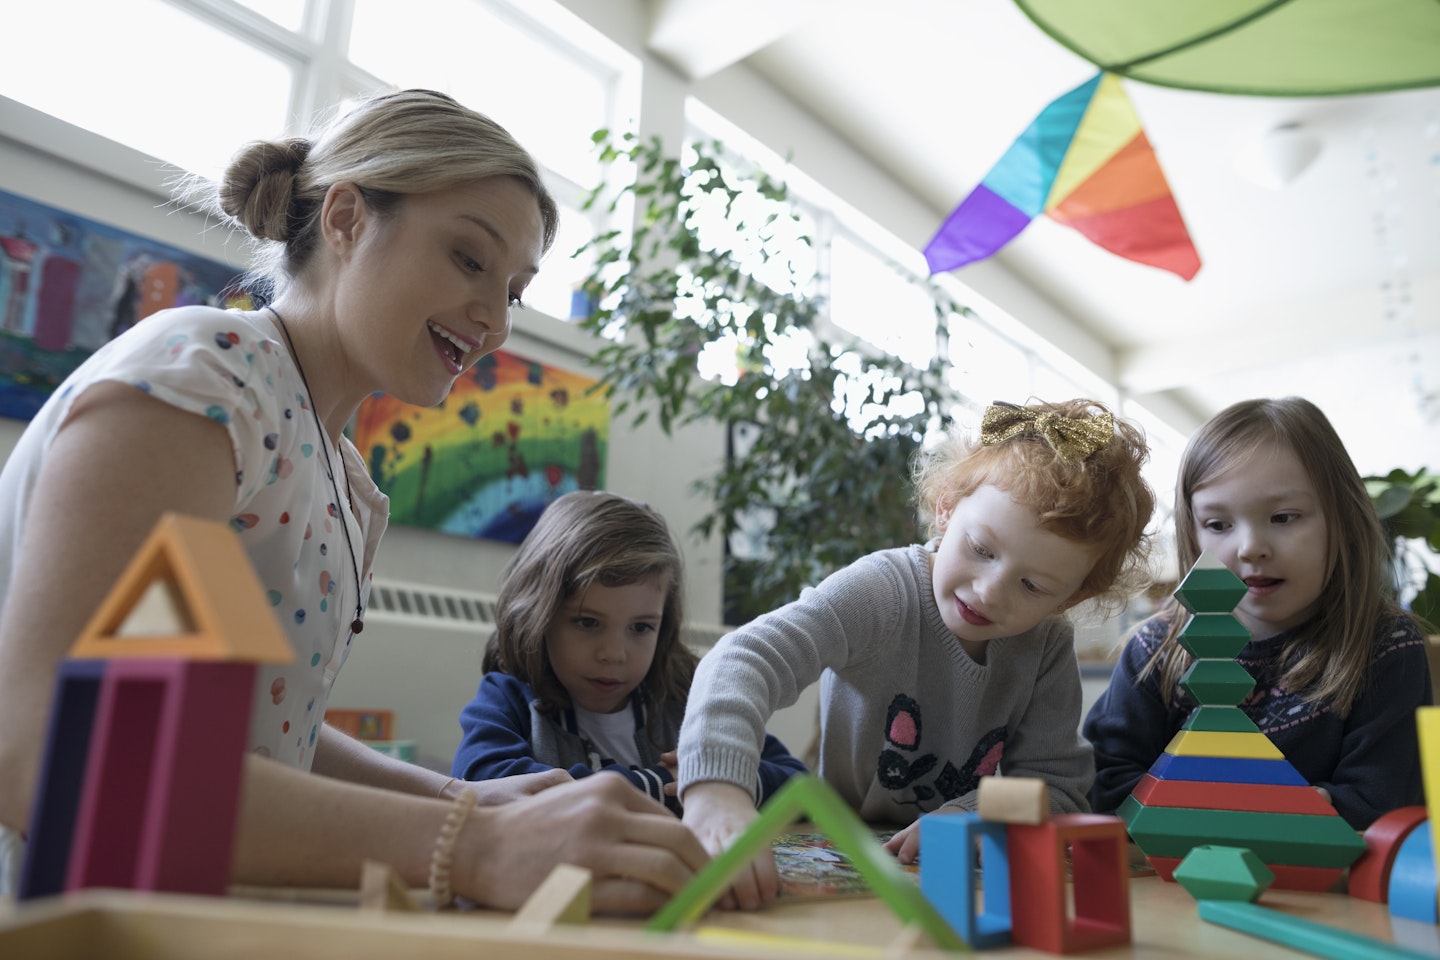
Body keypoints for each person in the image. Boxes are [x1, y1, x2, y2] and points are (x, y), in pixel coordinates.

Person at [0, 89, 706, 912]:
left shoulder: (332, 467)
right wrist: (472, 844)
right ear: (344, 219)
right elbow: (50, 758)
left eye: (513, 291)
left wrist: (460, 802)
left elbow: (255, 733)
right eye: (469, 260)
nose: (496, 323)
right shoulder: (204, 381)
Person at [677, 398, 1156, 907]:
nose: (990, 591)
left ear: (1072, 597)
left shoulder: (1047, 646)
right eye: (982, 549)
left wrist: (976, 812)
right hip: (837, 844)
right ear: (947, 509)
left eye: (1034, 585)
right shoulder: (881, 590)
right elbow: (744, 658)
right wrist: (716, 791)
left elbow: (1055, 787)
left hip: (945, 874)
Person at [1084, 396, 1432, 831]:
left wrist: (1254, 811)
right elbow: (1106, 784)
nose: (1250, 547)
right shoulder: (1154, 650)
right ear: (1192, 532)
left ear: (1341, 519)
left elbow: (1381, 806)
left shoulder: (1384, 646)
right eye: (1218, 524)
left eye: (1283, 517)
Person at [451, 490, 806, 812]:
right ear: (539, 614)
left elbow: (800, 785)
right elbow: (483, 784)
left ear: (663, 626)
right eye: (587, 622)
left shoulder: (689, 699)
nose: (614, 654)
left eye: (640, 627)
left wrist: (716, 784)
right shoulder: (507, 697)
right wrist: (663, 786)